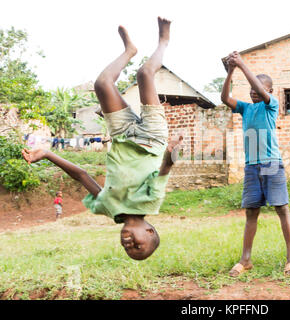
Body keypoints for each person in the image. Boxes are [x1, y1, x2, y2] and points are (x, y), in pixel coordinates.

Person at [21, 17, 182, 261]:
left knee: (102, 84)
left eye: (128, 249)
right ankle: (164, 40)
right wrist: (172, 153)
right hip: (152, 139)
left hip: (120, 135)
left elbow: (82, 175)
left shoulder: (107, 208)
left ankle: (129, 51)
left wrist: (46, 153)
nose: (129, 244)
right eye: (138, 246)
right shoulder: (150, 204)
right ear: (149, 231)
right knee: (145, 74)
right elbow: (163, 172)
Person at [221, 51, 290, 276]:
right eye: (251, 89)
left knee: (281, 209)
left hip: (271, 163)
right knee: (251, 213)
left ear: (269, 91)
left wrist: (243, 64)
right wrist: (230, 72)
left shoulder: (270, 105)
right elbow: (225, 98)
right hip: (252, 166)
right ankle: (245, 260)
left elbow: (260, 89)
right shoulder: (246, 108)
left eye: (258, 88)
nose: (253, 91)